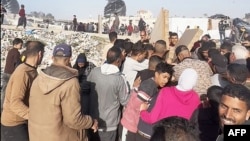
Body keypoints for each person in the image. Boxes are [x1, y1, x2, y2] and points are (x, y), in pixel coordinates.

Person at [28, 44, 98, 141]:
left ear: (52, 58)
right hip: (60, 136)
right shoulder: (70, 83)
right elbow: (73, 120)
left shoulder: (39, 78)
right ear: (70, 59)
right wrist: (91, 122)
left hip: (36, 135)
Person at [1, 41, 45, 141]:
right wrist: (36, 117)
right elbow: (15, 103)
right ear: (40, 54)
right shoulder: (23, 73)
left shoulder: (31, 70)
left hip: (21, 122)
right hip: (14, 124)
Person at [121, 62, 174, 141]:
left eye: (168, 78)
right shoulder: (150, 87)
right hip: (130, 124)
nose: (166, 80)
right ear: (156, 74)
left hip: (132, 123)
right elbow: (135, 104)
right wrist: (144, 108)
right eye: (164, 77)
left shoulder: (152, 85)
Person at [87, 47, 130, 141]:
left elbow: (85, 90)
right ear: (118, 61)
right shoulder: (120, 79)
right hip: (109, 125)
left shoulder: (95, 71)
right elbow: (125, 101)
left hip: (92, 121)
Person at [1, 38, 23, 110]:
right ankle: (6, 107)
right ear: (16, 44)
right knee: (10, 91)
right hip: (11, 74)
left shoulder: (10, 51)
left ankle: (2, 106)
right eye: (20, 44)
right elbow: (17, 63)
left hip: (5, 72)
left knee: (4, 91)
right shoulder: (16, 52)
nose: (21, 45)